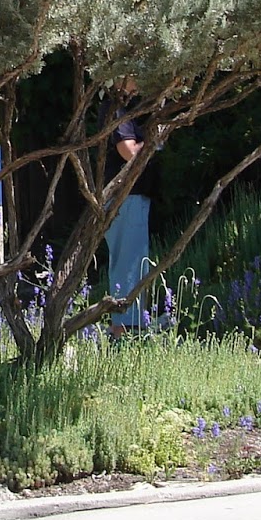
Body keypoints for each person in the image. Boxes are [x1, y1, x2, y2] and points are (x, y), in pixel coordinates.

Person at [104, 79, 158, 336]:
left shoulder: (130, 109)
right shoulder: (116, 110)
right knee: (129, 264)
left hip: (132, 198)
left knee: (135, 265)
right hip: (125, 199)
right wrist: (154, 139)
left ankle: (131, 329)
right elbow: (129, 152)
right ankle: (124, 333)